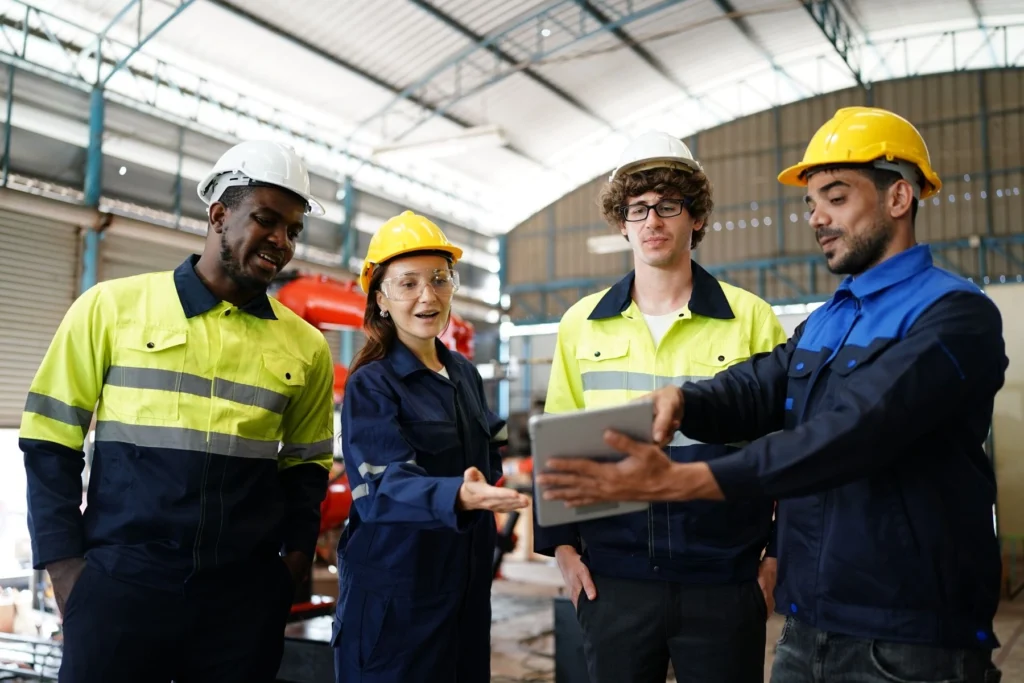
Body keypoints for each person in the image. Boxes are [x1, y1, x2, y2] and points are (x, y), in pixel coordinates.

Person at [537, 107, 1007, 683]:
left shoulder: (954, 314)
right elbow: (760, 383)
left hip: (906, 630)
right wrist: (682, 402)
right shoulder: (831, 319)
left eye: (835, 197)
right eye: (812, 203)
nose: (818, 218)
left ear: (899, 197)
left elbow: (855, 431)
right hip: (810, 622)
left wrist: (690, 484)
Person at [20, 139, 336, 683]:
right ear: (218, 215)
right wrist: (67, 570)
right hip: (121, 591)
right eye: (267, 220)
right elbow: (49, 443)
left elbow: (307, 470)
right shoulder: (109, 309)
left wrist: (289, 570)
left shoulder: (305, 346)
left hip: (241, 606)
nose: (281, 242)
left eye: (293, 230)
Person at [533, 131, 788, 683]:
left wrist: (775, 558)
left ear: (695, 218)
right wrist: (563, 551)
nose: (653, 221)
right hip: (614, 580)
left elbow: (788, 450)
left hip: (724, 577)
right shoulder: (582, 324)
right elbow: (557, 444)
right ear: (621, 222)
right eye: (638, 208)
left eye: (669, 205)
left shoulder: (752, 319)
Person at [332, 210, 530, 683]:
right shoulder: (372, 384)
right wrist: (458, 496)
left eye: (440, 279)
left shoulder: (463, 373)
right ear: (380, 298)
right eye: (408, 283)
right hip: (396, 598)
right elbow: (380, 489)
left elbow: (488, 445)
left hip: (464, 591)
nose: (428, 295)